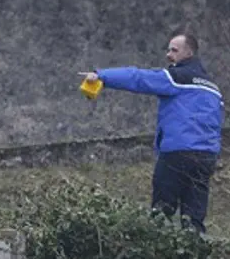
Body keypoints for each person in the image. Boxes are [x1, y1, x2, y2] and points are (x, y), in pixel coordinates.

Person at [79, 33, 224, 233]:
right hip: (206, 157)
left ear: (189, 53)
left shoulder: (177, 77)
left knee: (161, 215)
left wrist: (102, 75)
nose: (168, 55)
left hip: (177, 153)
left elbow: (138, 78)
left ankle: (157, 256)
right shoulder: (214, 89)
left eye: (174, 50)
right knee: (194, 220)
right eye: (168, 49)